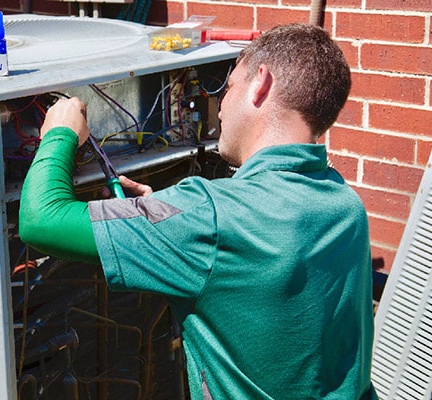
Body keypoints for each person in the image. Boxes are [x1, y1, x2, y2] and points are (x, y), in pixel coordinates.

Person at [19, 23, 377, 399]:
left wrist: (59, 133)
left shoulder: (207, 217)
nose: (220, 104)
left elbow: (40, 220)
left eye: (230, 86)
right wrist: (169, 217)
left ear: (261, 83)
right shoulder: (344, 204)